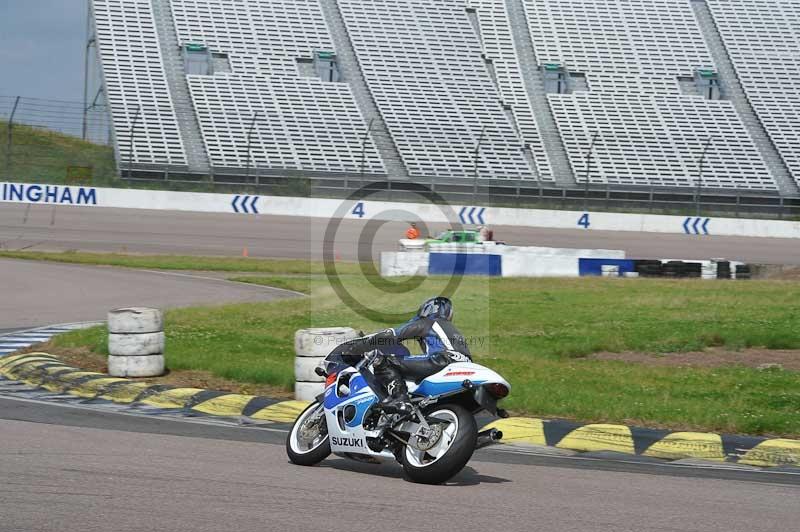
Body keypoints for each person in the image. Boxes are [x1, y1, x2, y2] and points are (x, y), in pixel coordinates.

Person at [342, 296, 471, 416]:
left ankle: (400, 399)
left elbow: (391, 335)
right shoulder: (454, 331)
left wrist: (358, 347)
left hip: (442, 360)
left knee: (383, 361)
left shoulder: (428, 322)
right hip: (466, 367)